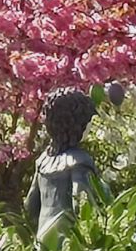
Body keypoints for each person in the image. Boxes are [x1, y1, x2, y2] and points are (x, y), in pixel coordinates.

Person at [31, 88, 100, 239]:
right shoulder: (80, 162)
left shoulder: (43, 161)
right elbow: (82, 203)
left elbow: (30, 206)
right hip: (68, 241)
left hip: (43, 238)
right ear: (78, 123)